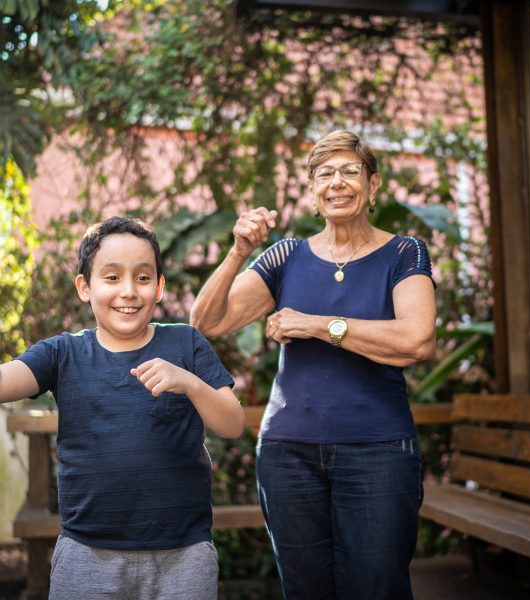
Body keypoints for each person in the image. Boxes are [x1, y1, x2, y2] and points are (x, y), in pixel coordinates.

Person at [190, 130, 436, 599]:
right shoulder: (286, 256)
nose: (337, 182)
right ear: (312, 191)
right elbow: (207, 320)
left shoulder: (404, 253)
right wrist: (239, 251)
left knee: (377, 588)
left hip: (378, 453)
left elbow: (416, 339)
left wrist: (319, 325)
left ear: (374, 184)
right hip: (288, 455)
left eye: (350, 171)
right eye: (325, 173)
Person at [0, 216, 245, 600]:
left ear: (160, 286)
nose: (128, 291)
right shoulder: (63, 353)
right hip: (86, 554)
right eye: (112, 278)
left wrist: (191, 384)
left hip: (183, 555)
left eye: (143, 278)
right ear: (85, 286)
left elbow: (232, 424)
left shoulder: (187, 344)